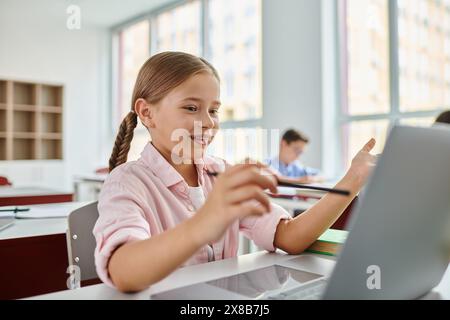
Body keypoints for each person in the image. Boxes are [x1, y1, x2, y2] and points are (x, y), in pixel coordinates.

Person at [93, 52, 377, 292]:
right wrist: (205, 222)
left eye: (214, 111)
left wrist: (352, 181)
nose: (208, 122)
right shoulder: (126, 183)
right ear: (146, 113)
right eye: (191, 107)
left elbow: (290, 237)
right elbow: (123, 271)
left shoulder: (221, 174)